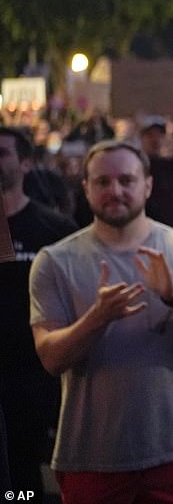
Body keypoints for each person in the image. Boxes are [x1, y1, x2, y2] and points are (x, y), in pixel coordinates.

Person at [29, 140, 173, 504]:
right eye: (102, 182)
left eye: (126, 180)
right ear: (85, 187)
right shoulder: (55, 261)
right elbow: (50, 358)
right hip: (91, 456)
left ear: (147, 185)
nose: (115, 190)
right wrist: (97, 318)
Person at [0, 127, 77, 499]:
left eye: (3, 153)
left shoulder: (54, 227)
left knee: (28, 468)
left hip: (35, 371)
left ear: (26, 163)